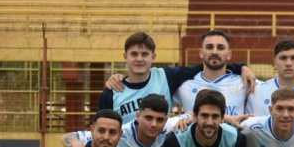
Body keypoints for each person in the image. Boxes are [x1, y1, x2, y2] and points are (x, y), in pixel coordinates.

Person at [101, 31, 255, 124]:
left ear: (153, 57)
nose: (139, 59)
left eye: (145, 54)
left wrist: (241, 67)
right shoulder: (113, 90)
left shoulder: (167, 76)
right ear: (125, 57)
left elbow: (211, 64)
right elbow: (101, 124)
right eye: (134, 54)